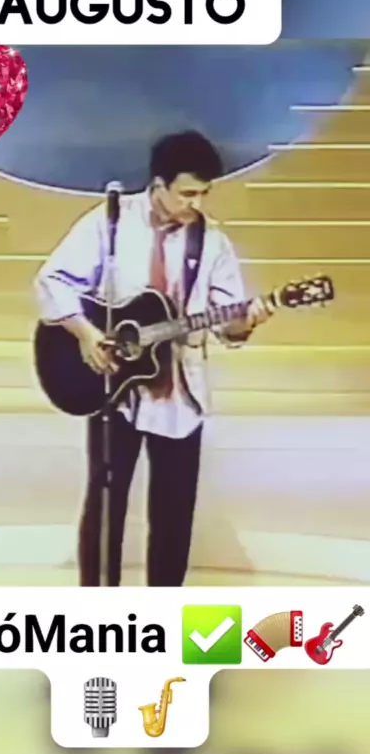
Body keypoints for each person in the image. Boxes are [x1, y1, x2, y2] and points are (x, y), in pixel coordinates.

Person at [35, 131, 273, 586]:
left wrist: (247, 321)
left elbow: (228, 323)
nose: (195, 203)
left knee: (174, 513)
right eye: (187, 193)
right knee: (105, 504)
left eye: (203, 193)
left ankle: (161, 613)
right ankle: (98, 610)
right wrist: (85, 333)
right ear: (158, 184)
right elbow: (53, 280)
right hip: (114, 387)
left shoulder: (213, 243)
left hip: (181, 392)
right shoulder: (110, 223)